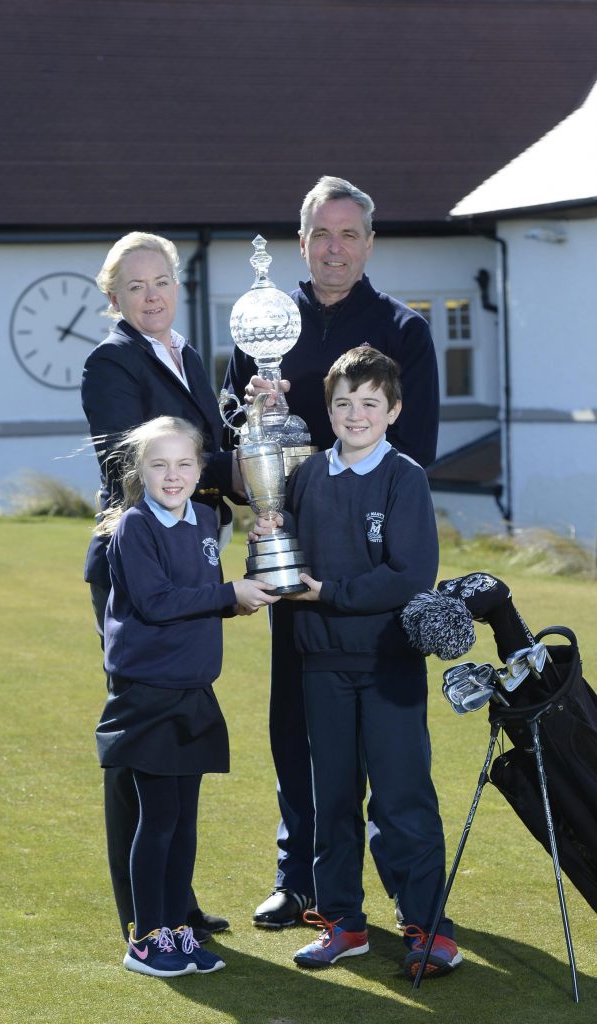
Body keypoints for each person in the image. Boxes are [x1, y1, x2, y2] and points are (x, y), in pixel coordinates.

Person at [225, 176, 440, 927]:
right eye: (322, 233)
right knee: (299, 732)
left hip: (373, 580)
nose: (334, 248)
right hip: (293, 569)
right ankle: (304, 878)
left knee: (390, 750)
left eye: (349, 234)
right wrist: (262, 482)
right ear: (302, 240)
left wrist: (314, 444)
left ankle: (407, 896)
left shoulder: (402, 329)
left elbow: (416, 450)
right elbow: (238, 451)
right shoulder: (263, 325)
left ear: (370, 243)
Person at [251, 347, 460, 979]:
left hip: (388, 664)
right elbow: (291, 555)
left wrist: (330, 594)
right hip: (320, 662)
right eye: (344, 403)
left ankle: (428, 926)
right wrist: (267, 546)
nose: (356, 414)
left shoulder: (404, 476)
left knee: (401, 799)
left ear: (393, 410)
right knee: (332, 797)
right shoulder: (310, 474)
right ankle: (342, 922)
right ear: (329, 408)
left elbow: (410, 575)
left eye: (370, 403)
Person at [82, 231, 243, 943]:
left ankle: (175, 900)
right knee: (141, 746)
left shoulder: (186, 355)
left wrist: (257, 430)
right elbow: (142, 463)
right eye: (136, 286)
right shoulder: (111, 360)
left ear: (177, 286)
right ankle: (143, 916)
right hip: (140, 558)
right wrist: (220, 485)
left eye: (162, 282)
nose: (152, 296)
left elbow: (207, 449)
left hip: (190, 553)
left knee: (181, 734)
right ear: (114, 297)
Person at [96, 416, 278, 977]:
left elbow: (204, 594)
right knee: (158, 818)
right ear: (140, 471)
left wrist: (251, 577)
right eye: (159, 464)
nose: (171, 475)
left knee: (184, 820)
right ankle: (146, 939)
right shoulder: (133, 528)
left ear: (201, 471)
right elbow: (155, 602)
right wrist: (227, 593)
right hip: (148, 695)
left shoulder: (203, 519)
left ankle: (177, 929)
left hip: (194, 692)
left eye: (183, 464)